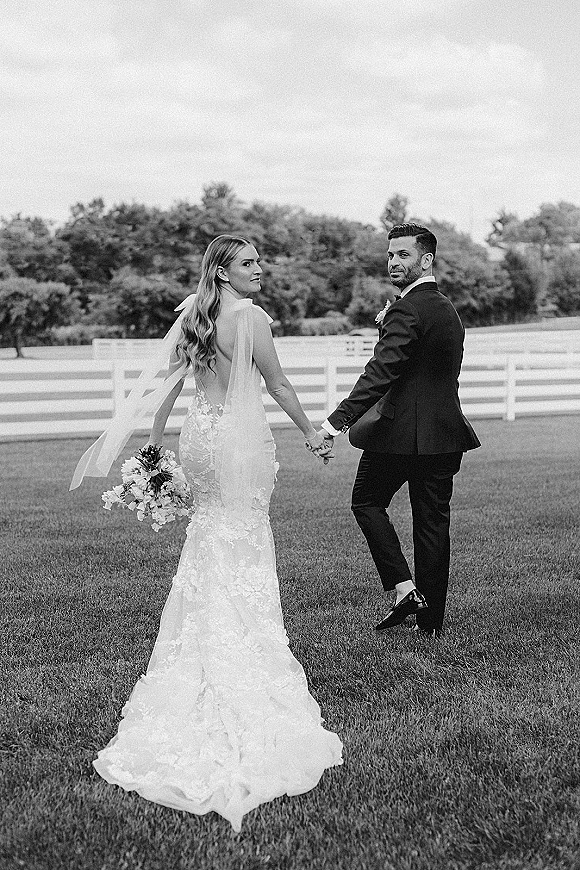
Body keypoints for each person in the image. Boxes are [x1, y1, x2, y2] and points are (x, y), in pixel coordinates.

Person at [70, 235, 342, 832]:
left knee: (209, 537)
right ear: (223, 270)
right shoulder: (252, 320)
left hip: (200, 440)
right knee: (242, 537)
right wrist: (312, 433)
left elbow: (167, 386)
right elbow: (279, 386)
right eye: (249, 263)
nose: (261, 270)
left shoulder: (194, 316)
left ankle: (202, 640)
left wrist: (155, 445)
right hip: (239, 445)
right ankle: (243, 650)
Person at [316, 223, 480, 638]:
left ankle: (405, 589)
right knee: (432, 525)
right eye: (390, 254)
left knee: (367, 501)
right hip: (445, 437)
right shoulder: (445, 308)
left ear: (426, 260)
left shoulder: (407, 309)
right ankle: (430, 623)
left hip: (400, 436)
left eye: (403, 255)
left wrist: (336, 422)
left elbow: (382, 372)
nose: (393, 262)